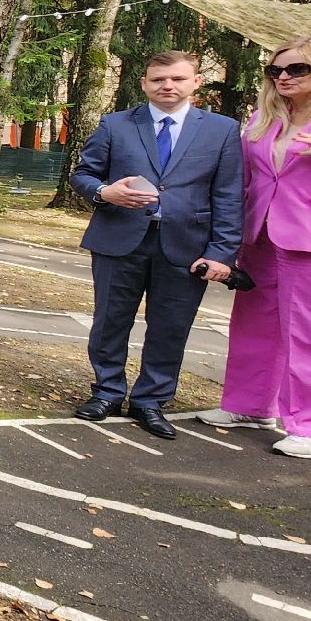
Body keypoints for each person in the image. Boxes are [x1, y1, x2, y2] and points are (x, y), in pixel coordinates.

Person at [67, 50, 244, 440]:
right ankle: (108, 391)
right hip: (119, 240)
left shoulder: (222, 130)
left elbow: (229, 196)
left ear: (195, 82)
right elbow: (83, 174)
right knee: (110, 322)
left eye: (177, 79)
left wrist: (221, 254)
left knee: (170, 327)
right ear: (144, 83)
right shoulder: (115, 124)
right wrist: (103, 192)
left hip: (187, 246)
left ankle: (150, 400)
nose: (168, 86)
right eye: (158, 79)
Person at [205, 35, 311, 458]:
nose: (284, 77)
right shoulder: (264, 117)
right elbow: (246, 177)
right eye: (275, 70)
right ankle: (249, 406)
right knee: (253, 323)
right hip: (259, 233)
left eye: (297, 69)